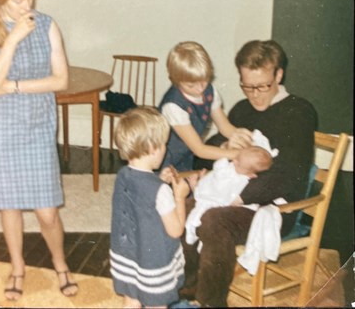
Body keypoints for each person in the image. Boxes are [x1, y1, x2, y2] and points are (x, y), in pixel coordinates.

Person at [0, 0, 77, 300]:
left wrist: (15, 86)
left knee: (47, 211)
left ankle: (60, 263)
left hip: (36, 124)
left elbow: (61, 80)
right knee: (10, 206)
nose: (28, 5)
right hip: (2, 129)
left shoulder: (47, 25)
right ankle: (17, 267)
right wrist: (13, 39)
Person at [181, 40, 317, 307]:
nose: (254, 95)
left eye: (262, 86)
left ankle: (211, 301)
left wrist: (240, 197)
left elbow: (290, 174)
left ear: (279, 75)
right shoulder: (242, 110)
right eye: (247, 86)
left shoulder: (299, 112)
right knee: (182, 206)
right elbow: (202, 154)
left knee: (213, 219)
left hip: (274, 208)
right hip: (231, 198)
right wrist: (224, 146)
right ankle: (186, 286)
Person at [110, 107, 191, 308]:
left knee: (132, 298)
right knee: (157, 303)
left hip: (127, 255)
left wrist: (157, 180)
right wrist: (179, 197)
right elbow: (175, 230)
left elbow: (140, 191)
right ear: (154, 149)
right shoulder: (161, 192)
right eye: (164, 144)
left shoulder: (123, 175)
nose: (165, 148)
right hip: (152, 262)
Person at [158, 41, 251, 172]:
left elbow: (224, 127)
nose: (200, 89)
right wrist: (238, 155)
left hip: (186, 156)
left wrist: (242, 137)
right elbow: (199, 150)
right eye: (191, 85)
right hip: (163, 160)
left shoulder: (210, 91)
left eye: (204, 80)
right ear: (176, 81)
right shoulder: (173, 106)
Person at [185, 143, 274, 247]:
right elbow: (216, 175)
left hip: (219, 204)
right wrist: (204, 180)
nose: (234, 161)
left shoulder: (241, 181)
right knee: (191, 208)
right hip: (209, 193)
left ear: (251, 175)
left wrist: (199, 186)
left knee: (200, 216)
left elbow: (221, 196)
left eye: (239, 163)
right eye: (237, 157)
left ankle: (198, 238)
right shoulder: (231, 168)